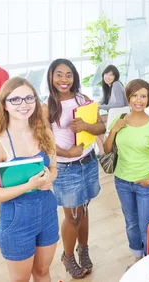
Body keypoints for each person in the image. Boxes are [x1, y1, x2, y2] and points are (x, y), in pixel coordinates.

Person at [0, 77, 58, 282]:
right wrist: (30, 185)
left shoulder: (45, 134)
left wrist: (49, 176)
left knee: (43, 273)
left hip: (48, 211)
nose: (23, 104)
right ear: (4, 104)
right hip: (16, 220)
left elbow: (54, 168)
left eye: (28, 98)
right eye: (15, 100)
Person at [42, 59, 106, 278]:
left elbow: (101, 127)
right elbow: (44, 142)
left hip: (88, 163)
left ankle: (83, 249)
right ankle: (68, 256)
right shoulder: (46, 105)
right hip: (66, 169)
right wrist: (68, 153)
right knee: (73, 217)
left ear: (74, 77)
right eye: (59, 74)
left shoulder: (83, 99)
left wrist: (86, 126)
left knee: (84, 210)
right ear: (51, 77)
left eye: (68, 75)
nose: (64, 79)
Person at [104, 79, 149, 268]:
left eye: (143, 96)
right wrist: (113, 130)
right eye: (134, 95)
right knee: (131, 223)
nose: (138, 100)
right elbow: (107, 149)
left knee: (147, 226)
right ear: (128, 97)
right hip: (122, 181)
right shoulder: (119, 119)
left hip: (145, 183)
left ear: (148, 99)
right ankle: (138, 259)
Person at [97, 64, 127, 154]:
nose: (108, 77)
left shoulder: (116, 84)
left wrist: (100, 107)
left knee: (97, 128)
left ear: (115, 76)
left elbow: (120, 104)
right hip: (114, 114)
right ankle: (104, 150)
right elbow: (102, 101)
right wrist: (96, 105)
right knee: (94, 125)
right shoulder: (108, 87)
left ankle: (104, 151)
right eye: (106, 74)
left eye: (111, 75)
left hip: (122, 115)